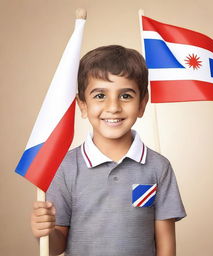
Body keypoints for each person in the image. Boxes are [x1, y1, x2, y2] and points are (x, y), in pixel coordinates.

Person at [31, 45, 186, 256]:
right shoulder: (64, 167)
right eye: (100, 96)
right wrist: (45, 232)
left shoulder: (159, 167)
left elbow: (166, 245)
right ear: (83, 105)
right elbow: (55, 247)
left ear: (142, 104)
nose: (113, 107)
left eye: (126, 96)